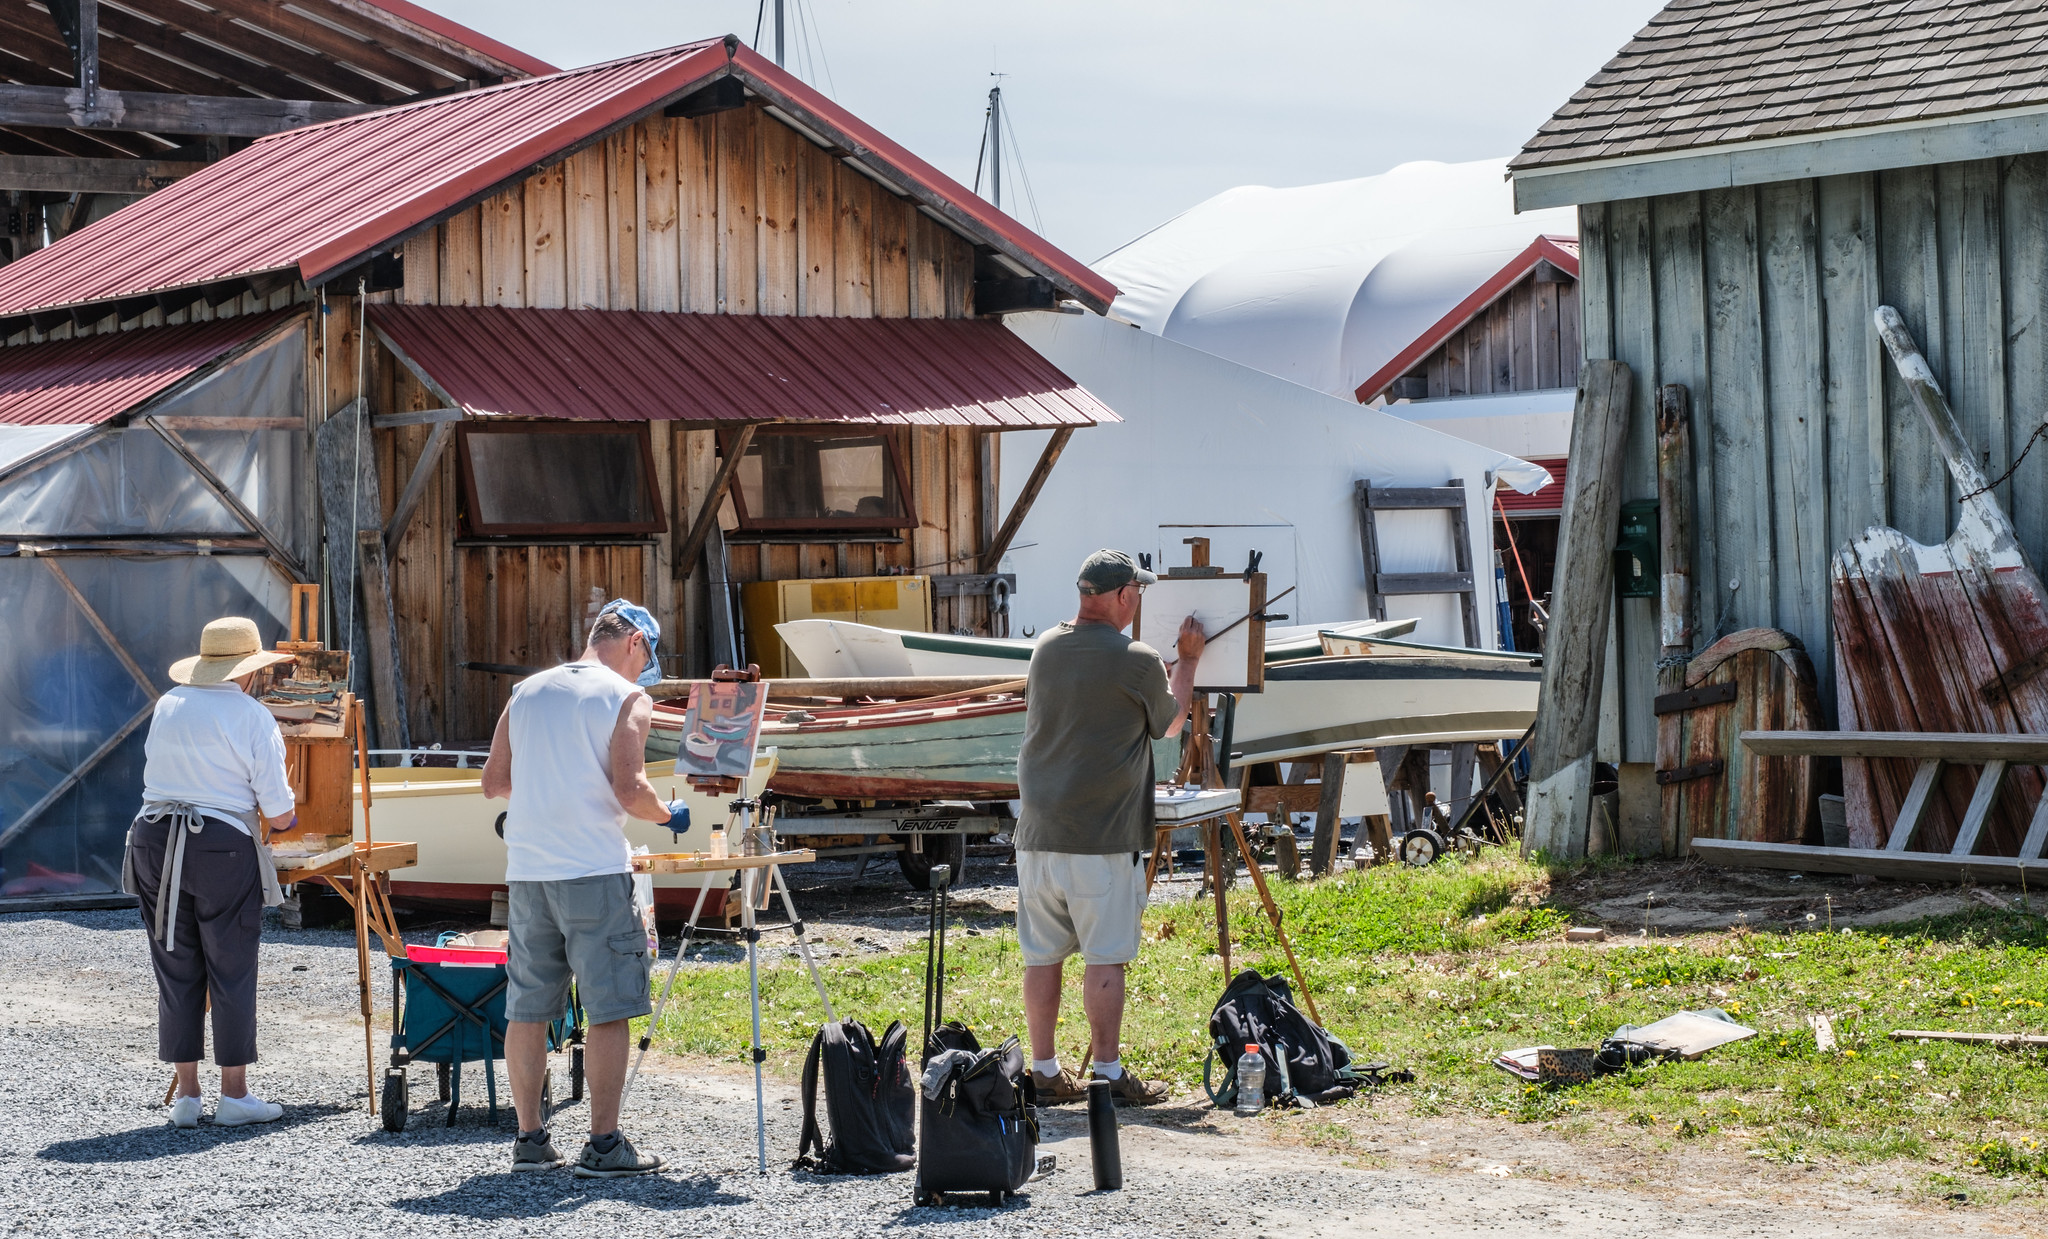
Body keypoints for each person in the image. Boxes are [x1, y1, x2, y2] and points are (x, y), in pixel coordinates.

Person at [482, 599, 687, 1177]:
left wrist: (550, 788)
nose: (644, 672)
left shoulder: (525, 692)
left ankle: (529, 1140)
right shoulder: (628, 697)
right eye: (646, 658)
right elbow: (630, 789)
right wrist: (668, 815)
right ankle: (603, 1145)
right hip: (592, 869)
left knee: (527, 1009)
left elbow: (494, 781)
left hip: (528, 870)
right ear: (635, 643)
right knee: (609, 1008)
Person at [1014, 549, 1204, 1106]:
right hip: (1100, 835)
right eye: (1137, 593)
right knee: (1105, 957)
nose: (1137, 602)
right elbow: (1171, 723)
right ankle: (1108, 1073)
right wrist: (1188, 662)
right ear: (1123, 596)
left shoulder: (1046, 648)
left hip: (1039, 831)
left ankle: (1044, 1071)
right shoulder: (1137, 659)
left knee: (1041, 956)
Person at [125, 616, 298, 1129]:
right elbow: (280, 814)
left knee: (175, 966)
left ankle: (187, 1097)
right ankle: (235, 1096)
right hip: (219, 847)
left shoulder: (169, 704)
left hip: (153, 836)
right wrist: (286, 817)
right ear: (250, 670)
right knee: (231, 966)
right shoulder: (253, 715)